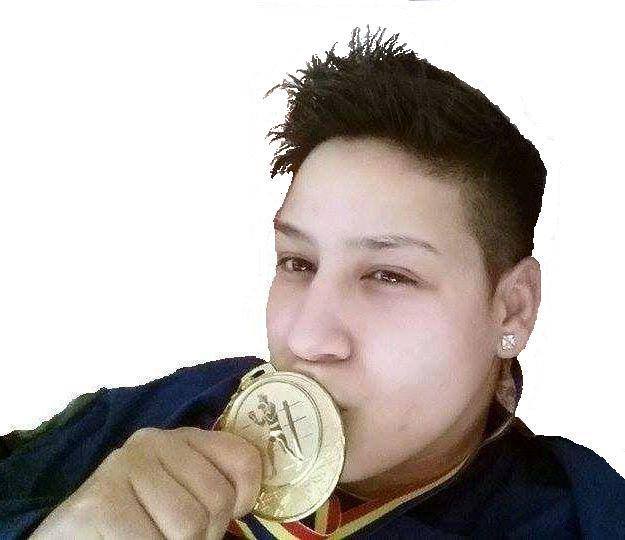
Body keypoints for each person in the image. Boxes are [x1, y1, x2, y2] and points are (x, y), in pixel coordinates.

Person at [1, 25, 624, 539]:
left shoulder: (586, 517)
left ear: (512, 310)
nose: (304, 339)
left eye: (388, 275)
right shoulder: (167, 415)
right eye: (298, 263)